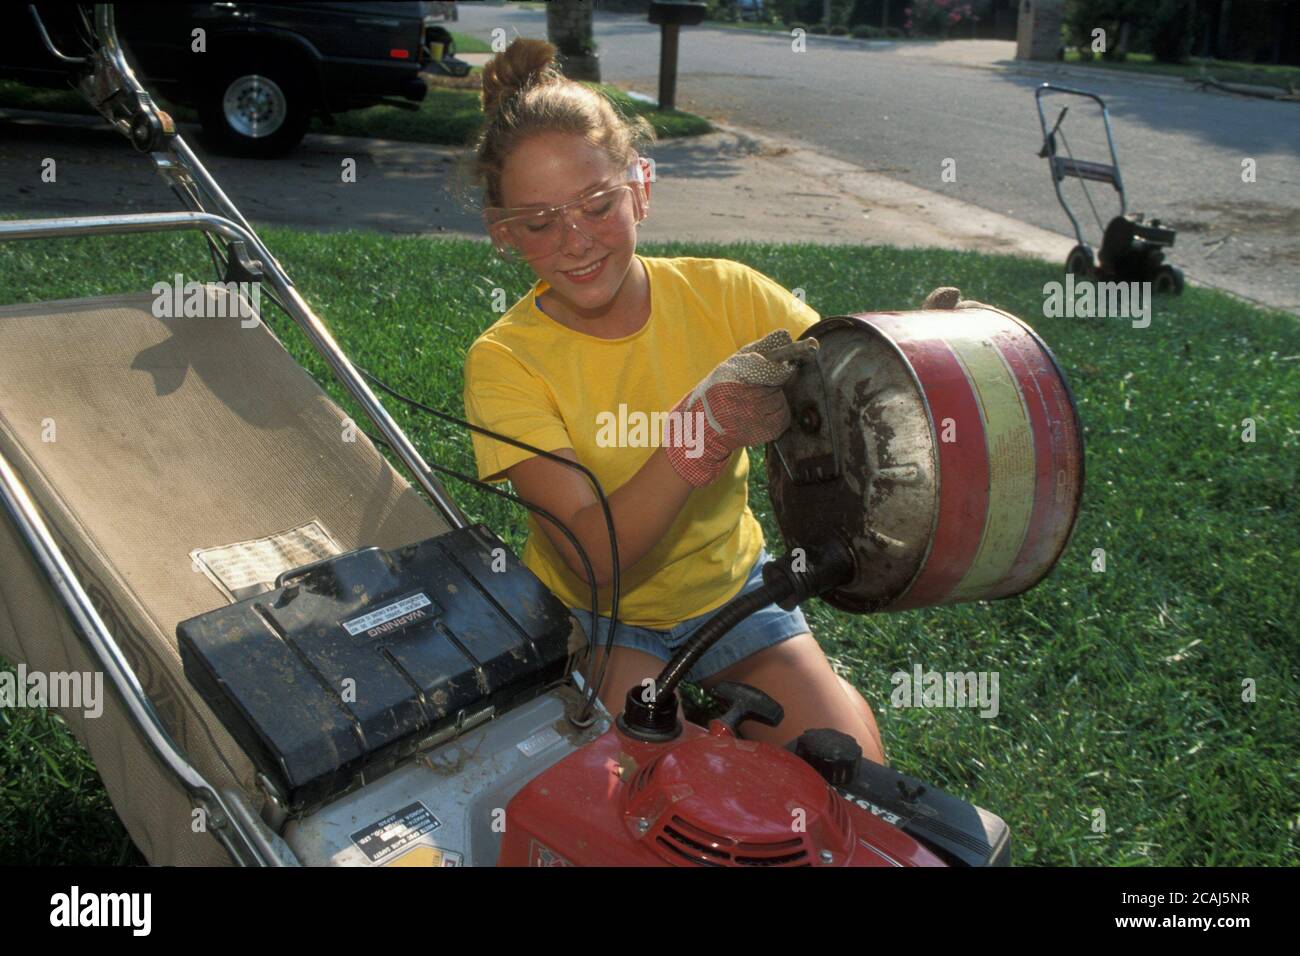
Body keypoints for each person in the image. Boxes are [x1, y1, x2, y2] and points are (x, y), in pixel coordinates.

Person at [461, 38, 885, 764]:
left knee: (845, 764)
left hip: (734, 593)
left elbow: (850, 373)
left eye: (598, 204)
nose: (576, 241)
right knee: (657, 781)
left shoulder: (728, 293)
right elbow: (595, 556)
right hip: (597, 615)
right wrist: (702, 433)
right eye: (538, 223)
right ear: (504, 235)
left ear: (642, 188)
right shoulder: (505, 361)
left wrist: (921, 353)